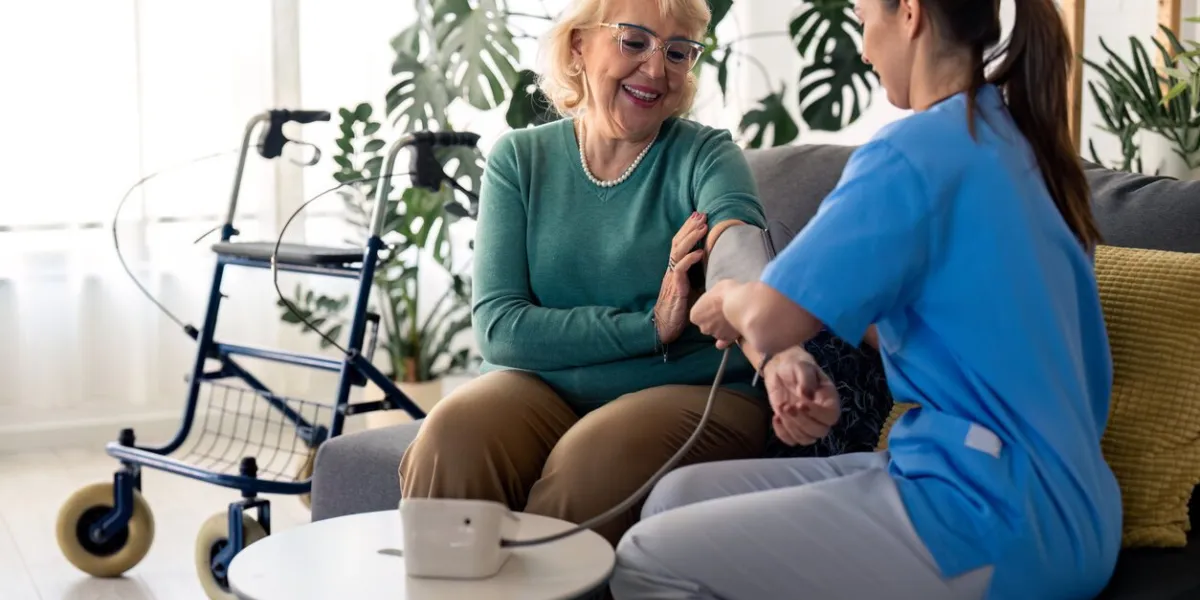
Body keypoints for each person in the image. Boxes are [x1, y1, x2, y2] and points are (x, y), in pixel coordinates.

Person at [609, 0, 1123, 598]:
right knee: (676, 496)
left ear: (908, 13)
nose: (863, 47)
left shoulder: (916, 153)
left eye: (861, 21)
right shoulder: (1010, 143)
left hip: (995, 514)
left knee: (646, 556)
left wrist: (727, 295)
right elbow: (952, 326)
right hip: (1060, 507)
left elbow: (770, 320)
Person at [399, 0, 816, 547]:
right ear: (578, 45)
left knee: (591, 460)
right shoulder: (520, 160)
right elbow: (501, 329)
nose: (656, 68)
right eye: (634, 41)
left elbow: (735, 243)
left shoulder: (705, 155)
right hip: (540, 390)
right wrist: (648, 327)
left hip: (684, 390)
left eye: (677, 52)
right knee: (451, 436)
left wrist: (777, 348)